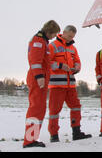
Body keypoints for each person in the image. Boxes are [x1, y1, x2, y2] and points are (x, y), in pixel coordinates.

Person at [47, 25, 91, 142]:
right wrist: (61, 66)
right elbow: (47, 63)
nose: (70, 38)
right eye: (69, 36)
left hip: (70, 85)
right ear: (64, 33)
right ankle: (54, 135)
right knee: (54, 111)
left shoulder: (73, 48)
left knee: (76, 107)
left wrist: (77, 67)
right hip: (57, 85)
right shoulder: (52, 46)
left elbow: (77, 61)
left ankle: (76, 132)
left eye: (73, 37)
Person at [23, 20, 60, 148]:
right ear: (49, 31)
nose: (54, 37)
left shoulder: (43, 41)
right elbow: (35, 61)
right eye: (54, 34)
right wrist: (39, 77)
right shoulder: (38, 41)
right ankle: (29, 140)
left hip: (41, 78)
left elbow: (46, 62)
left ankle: (33, 137)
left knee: (40, 109)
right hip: (37, 79)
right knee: (36, 108)